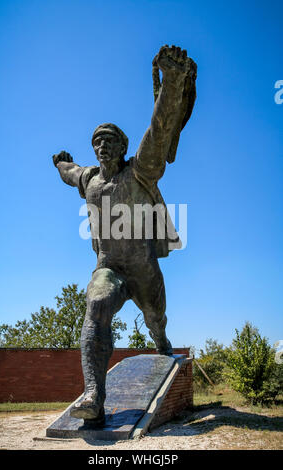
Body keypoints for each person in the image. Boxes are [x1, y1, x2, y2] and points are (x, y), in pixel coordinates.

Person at [53, 45, 197, 423]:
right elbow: (70, 173)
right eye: (97, 142)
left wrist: (170, 82)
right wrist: (60, 163)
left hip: (143, 269)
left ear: (123, 147)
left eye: (109, 141)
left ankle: (161, 341)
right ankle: (94, 397)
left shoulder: (139, 172)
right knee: (96, 308)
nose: (102, 146)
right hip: (110, 268)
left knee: (156, 319)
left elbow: (160, 131)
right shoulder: (88, 179)